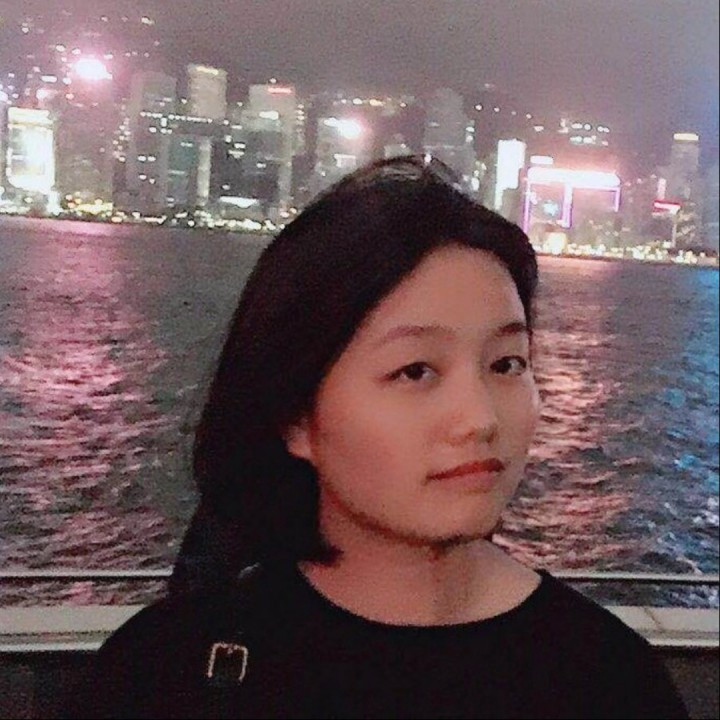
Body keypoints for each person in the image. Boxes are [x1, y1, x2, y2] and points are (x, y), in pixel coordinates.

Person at [76, 156, 688, 719]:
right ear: (295, 415)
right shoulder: (163, 677)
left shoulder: (609, 681)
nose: (480, 418)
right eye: (415, 371)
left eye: (507, 363)